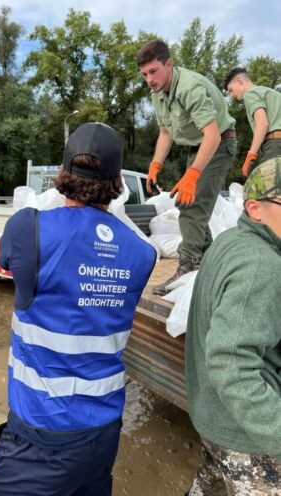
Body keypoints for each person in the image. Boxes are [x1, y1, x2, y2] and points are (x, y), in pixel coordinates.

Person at [0, 122, 157, 496]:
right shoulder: (143, 251)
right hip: (104, 429)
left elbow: (4, 259)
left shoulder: (28, 227)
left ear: (61, 173)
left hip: (42, 432)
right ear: (118, 182)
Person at [185, 157, 281, 495]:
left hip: (211, 415)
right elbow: (231, 362)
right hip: (246, 436)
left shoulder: (229, 241)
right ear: (255, 208)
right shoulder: (263, 266)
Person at [137, 40, 237, 295]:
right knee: (189, 205)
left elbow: (213, 135)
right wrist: (155, 164)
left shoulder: (189, 87)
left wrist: (192, 175)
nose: (149, 79)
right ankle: (211, 261)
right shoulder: (157, 94)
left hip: (219, 143)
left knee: (191, 207)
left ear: (168, 64)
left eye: (153, 71)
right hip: (199, 147)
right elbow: (164, 132)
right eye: (144, 74)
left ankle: (188, 267)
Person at [223, 67, 281, 177]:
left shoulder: (250, 94)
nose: (232, 95)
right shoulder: (271, 93)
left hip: (275, 145)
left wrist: (251, 155)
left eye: (231, 90)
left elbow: (262, 124)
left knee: (272, 191)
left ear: (239, 81)